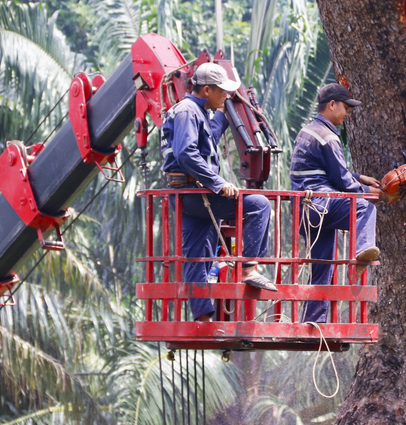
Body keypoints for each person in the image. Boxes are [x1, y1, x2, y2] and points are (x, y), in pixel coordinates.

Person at [161, 62, 277, 323]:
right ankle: (249, 267)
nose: (225, 95)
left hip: (186, 196)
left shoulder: (196, 112)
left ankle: (202, 318)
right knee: (259, 204)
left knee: (195, 255)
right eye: (221, 91)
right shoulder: (188, 112)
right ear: (206, 90)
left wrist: (225, 114)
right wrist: (217, 182)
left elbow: (207, 140)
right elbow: (186, 153)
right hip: (194, 193)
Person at [289, 83, 385, 323]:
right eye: (345, 108)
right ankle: (361, 253)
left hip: (306, 210)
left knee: (323, 264)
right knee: (363, 206)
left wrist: (360, 177)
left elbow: (326, 170)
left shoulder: (308, 131)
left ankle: (314, 319)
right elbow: (342, 182)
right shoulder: (328, 137)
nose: (347, 113)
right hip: (322, 205)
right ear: (332, 105)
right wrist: (370, 191)